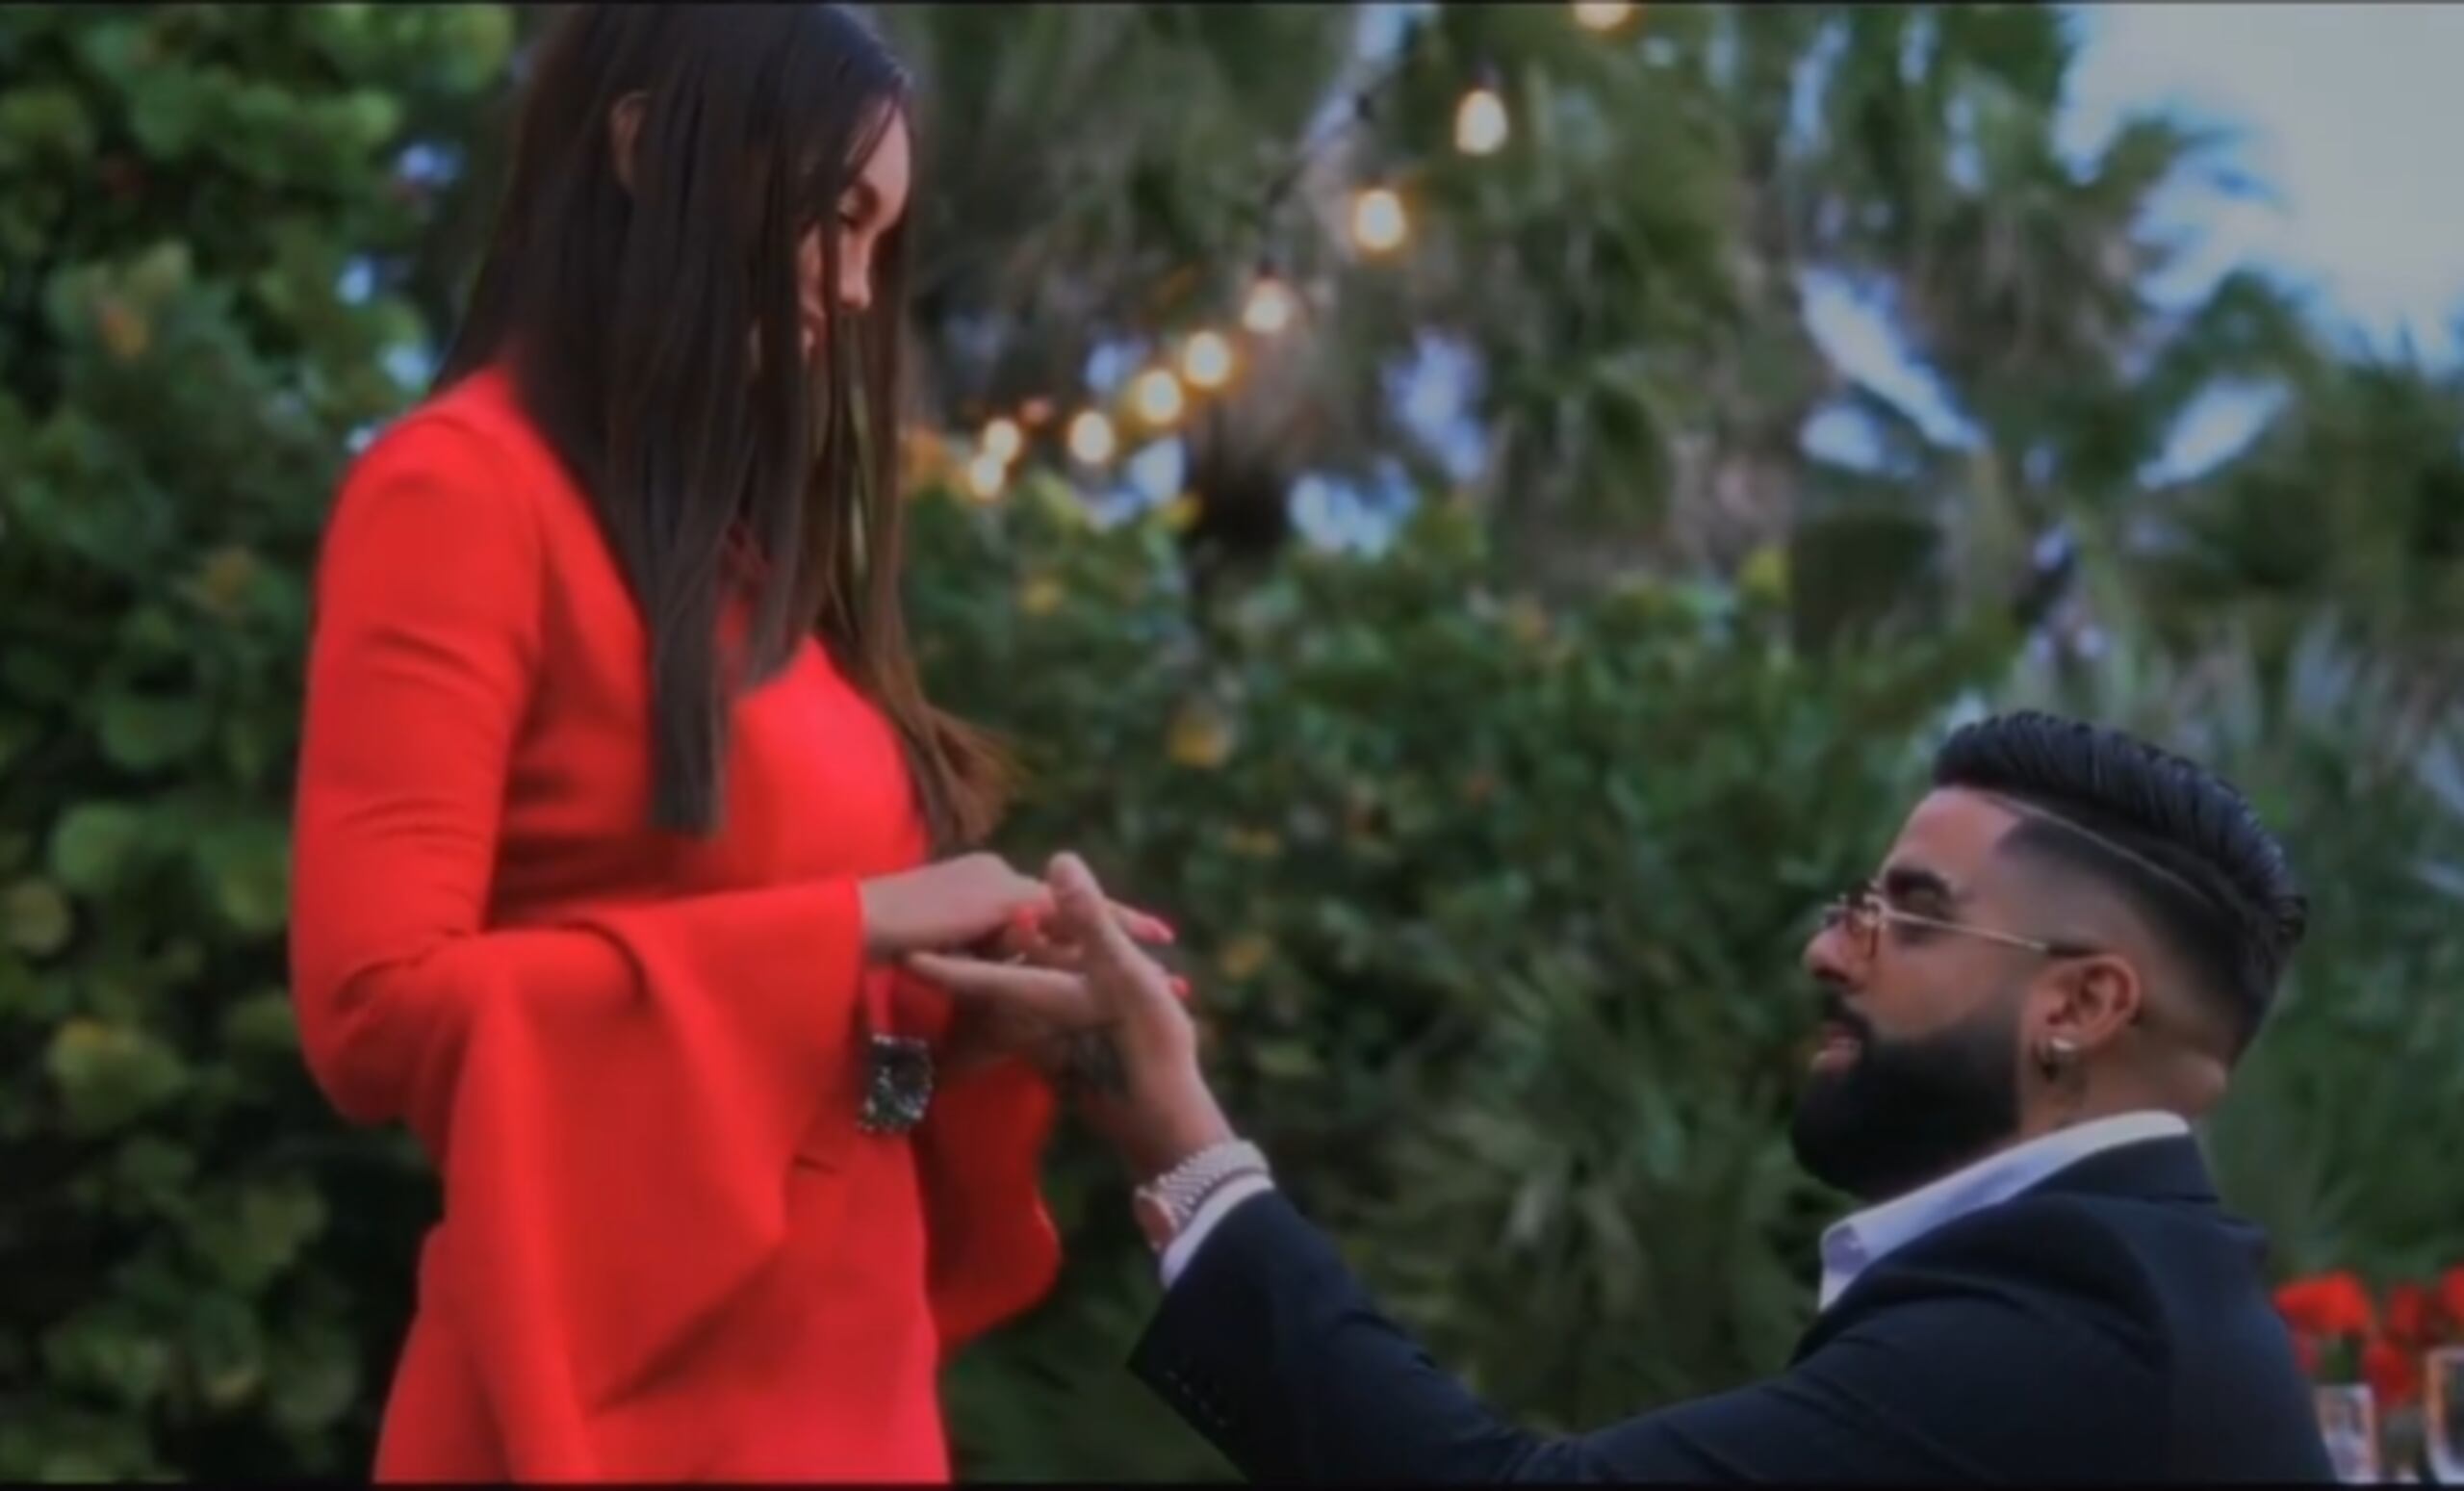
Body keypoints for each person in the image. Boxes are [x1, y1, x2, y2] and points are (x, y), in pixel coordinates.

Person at [286, 6, 1161, 1480]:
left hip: (843, 1398)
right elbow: (374, 1014)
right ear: (644, 149)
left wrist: (964, 1019)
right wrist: (860, 921)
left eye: (881, 239)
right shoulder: (459, 492)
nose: (856, 286)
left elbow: (832, 1074)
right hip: (602, 1403)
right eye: (835, 217)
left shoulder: (747, 567)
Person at [919, 712, 2338, 1481]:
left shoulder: (2079, 1322)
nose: (1828, 949)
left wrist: (1182, 1139)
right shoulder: (2137, 1284)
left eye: (1906, 912)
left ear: (2080, 1005)